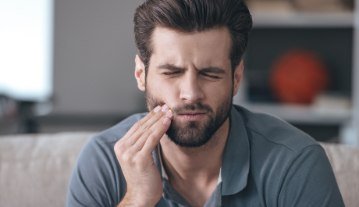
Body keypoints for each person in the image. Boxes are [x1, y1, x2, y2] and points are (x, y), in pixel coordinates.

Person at [66, 0, 344, 206]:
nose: (190, 93)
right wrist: (136, 198)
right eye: (171, 72)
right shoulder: (104, 161)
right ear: (141, 75)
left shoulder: (294, 162)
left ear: (236, 78)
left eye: (210, 74)